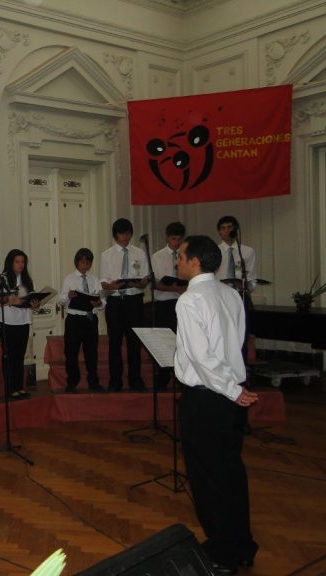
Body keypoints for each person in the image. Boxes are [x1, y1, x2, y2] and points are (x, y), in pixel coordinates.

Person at [174, 234, 259, 574]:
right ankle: (241, 544)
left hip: (208, 398)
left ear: (195, 261)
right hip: (230, 397)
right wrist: (234, 388)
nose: (176, 261)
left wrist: (229, 388)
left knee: (208, 479)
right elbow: (235, 344)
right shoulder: (229, 293)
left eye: (180, 255)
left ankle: (222, 552)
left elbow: (202, 356)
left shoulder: (190, 300)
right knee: (231, 473)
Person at [99, 218, 150, 392]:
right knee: (115, 342)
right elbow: (103, 281)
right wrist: (110, 286)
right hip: (115, 301)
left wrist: (140, 282)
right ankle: (115, 380)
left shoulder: (139, 253)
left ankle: (135, 379)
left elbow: (144, 279)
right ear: (115, 235)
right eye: (121, 233)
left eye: (128, 233)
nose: (125, 236)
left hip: (134, 300)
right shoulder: (107, 254)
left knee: (134, 342)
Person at [60, 248, 105, 393]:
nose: (85, 265)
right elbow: (61, 300)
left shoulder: (94, 279)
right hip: (74, 319)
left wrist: (98, 303)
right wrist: (69, 296)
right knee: (71, 352)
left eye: (88, 262)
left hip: (90, 319)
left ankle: (93, 381)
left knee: (91, 352)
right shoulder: (69, 278)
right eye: (82, 262)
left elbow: (102, 299)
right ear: (76, 262)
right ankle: (72, 382)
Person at [151, 221, 186, 389]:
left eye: (179, 239)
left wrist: (182, 287)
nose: (176, 242)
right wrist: (173, 287)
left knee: (182, 340)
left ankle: (182, 377)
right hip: (165, 302)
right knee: (164, 341)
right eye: (173, 239)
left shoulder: (186, 255)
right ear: (167, 237)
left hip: (183, 302)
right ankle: (162, 377)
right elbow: (155, 283)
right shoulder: (157, 256)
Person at [1, 249, 35, 399]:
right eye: (17, 261)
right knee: (9, 355)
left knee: (20, 355)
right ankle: (10, 388)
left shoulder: (26, 279)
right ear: (10, 262)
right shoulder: (3, 279)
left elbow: (30, 298)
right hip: (8, 321)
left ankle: (19, 386)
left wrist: (35, 303)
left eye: (23, 262)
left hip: (23, 320)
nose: (21, 265)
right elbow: (0, 299)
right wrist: (13, 300)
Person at [215, 215, 256, 291]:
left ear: (235, 229)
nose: (226, 231)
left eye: (229, 227)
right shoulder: (214, 251)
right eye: (223, 228)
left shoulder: (247, 251)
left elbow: (251, 277)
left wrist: (247, 288)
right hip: (219, 292)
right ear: (219, 232)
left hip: (240, 293)